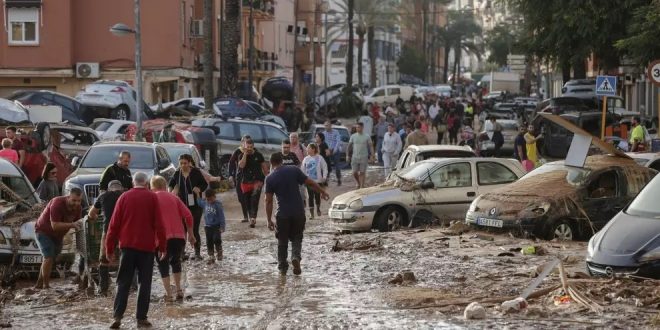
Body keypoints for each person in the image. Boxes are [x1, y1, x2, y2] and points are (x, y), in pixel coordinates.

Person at [106, 172, 167, 329]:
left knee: (123, 282)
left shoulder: (124, 197)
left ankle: (117, 317)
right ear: (146, 184)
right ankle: (141, 318)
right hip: (146, 249)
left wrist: (109, 248)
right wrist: (162, 247)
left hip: (127, 248)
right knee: (144, 284)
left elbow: (113, 226)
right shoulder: (152, 198)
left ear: (133, 183)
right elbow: (160, 224)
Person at [265, 152, 330, 276]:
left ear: (271, 164)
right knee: (297, 237)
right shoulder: (294, 170)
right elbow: (310, 183)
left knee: (282, 240)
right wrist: (322, 192)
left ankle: (282, 268)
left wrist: (269, 220)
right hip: (298, 212)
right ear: (282, 160)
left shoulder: (270, 178)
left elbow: (268, 201)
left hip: (282, 214)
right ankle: (295, 257)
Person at [150, 175, 194, 302]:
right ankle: (179, 290)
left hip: (161, 238)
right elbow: (188, 215)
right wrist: (191, 234)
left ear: (152, 187)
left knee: (162, 264)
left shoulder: (152, 198)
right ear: (164, 186)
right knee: (176, 262)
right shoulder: (175, 198)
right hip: (179, 238)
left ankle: (168, 294)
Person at [34, 188, 83, 289]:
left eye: (79, 201)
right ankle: (46, 286)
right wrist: (72, 224)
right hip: (43, 231)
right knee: (48, 257)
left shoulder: (78, 208)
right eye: (74, 200)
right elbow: (54, 225)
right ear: (68, 197)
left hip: (58, 235)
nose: (76, 203)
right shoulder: (57, 203)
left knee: (49, 259)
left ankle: (39, 284)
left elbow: (79, 224)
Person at [87, 180, 124, 296]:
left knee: (104, 259)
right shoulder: (125, 195)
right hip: (124, 231)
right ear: (120, 188)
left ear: (109, 189)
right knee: (125, 257)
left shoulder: (103, 196)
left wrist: (98, 215)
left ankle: (103, 289)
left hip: (108, 230)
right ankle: (128, 287)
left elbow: (91, 214)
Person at [169, 154, 208, 259]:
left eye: (185, 163)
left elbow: (205, 184)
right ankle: (182, 253)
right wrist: (172, 191)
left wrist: (199, 189)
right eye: (181, 163)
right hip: (181, 205)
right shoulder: (177, 173)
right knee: (182, 230)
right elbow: (171, 184)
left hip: (195, 206)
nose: (183, 165)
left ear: (189, 163)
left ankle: (197, 253)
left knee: (194, 229)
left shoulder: (196, 172)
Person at [237, 138, 267, 228]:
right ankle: (251, 218)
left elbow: (264, 167)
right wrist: (245, 154)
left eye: (250, 146)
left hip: (257, 181)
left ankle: (253, 218)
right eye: (247, 147)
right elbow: (241, 165)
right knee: (247, 202)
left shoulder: (259, 155)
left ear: (253, 146)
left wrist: (267, 177)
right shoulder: (241, 155)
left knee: (254, 199)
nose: (249, 148)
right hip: (245, 182)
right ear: (244, 146)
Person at [198, 188, 226, 264]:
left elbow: (221, 216)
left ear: (214, 197)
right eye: (208, 199)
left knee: (217, 239)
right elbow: (199, 202)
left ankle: (219, 252)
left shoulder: (218, 205)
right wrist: (197, 194)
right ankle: (211, 256)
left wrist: (222, 226)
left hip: (216, 226)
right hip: (207, 226)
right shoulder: (205, 203)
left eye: (211, 199)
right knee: (209, 241)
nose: (209, 201)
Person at [301, 143, 328, 219]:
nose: (307, 149)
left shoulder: (319, 158)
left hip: (318, 181)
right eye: (307, 148)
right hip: (309, 181)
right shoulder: (306, 159)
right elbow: (302, 170)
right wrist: (303, 179)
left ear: (313, 149)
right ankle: (312, 214)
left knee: (317, 196)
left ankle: (318, 208)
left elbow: (325, 167)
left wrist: (324, 177)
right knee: (310, 197)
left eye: (309, 148)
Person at [229, 136, 251, 223]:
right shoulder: (238, 151)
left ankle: (249, 216)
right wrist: (231, 175)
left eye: (248, 142)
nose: (246, 144)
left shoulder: (253, 151)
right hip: (240, 177)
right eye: (244, 142)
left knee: (249, 197)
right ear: (242, 143)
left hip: (250, 178)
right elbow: (231, 163)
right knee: (241, 198)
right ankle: (245, 215)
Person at [347, 122, 375, 189]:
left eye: (359, 127)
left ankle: (362, 186)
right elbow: (349, 146)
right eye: (356, 127)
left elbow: (371, 146)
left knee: (362, 172)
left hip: (364, 156)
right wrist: (347, 155)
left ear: (362, 128)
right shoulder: (353, 136)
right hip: (355, 157)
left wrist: (372, 156)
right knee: (354, 172)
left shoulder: (367, 136)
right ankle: (358, 182)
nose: (357, 129)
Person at [323, 121, 343, 186]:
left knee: (337, 165)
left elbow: (338, 141)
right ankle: (326, 180)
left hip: (335, 151)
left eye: (327, 125)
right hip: (327, 151)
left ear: (331, 125)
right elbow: (323, 143)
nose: (326, 127)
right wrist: (326, 151)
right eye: (325, 126)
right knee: (326, 166)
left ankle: (339, 179)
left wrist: (334, 150)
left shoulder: (336, 132)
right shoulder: (323, 133)